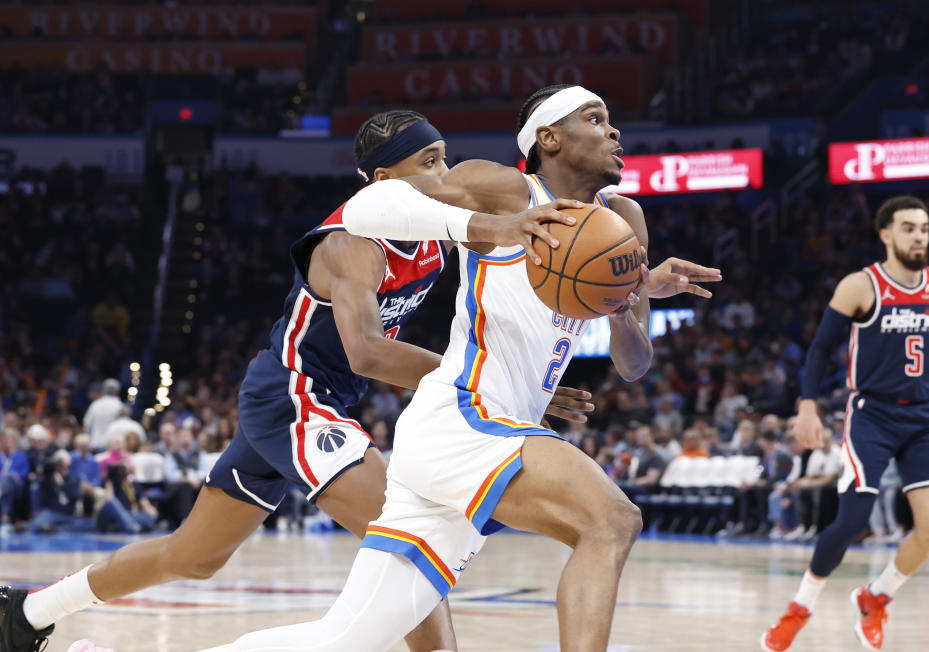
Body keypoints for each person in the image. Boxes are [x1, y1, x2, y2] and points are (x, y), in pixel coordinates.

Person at [0, 110, 592, 652]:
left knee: (195, 554)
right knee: (407, 536)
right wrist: (482, 383)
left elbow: (517, 250)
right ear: (386, 179)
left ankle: (25, 615)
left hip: (301, 401)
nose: (448, 171)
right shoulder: (350, 244)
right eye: (430, 162)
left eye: (446, 156)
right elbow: (367, 354)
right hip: (295, 397)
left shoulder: (439, 228)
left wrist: (521, 380)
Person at [197, 84, 720, 652]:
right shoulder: (504, 188)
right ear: (548, 138)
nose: (614, 131)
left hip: (478, 434)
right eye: (595, 119)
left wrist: (626, 306)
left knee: (345, 636)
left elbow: (633, 365)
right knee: (611, 520)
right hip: (466, 414)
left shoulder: (623, 218)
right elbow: (370, 207)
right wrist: (492, 228)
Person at [763, 195, 929, 651]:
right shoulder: (860, 285)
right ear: (886, 235)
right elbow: (819, 350)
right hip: (872, 413)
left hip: (925, 416)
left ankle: (876, 597)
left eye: (925, 228)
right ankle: (799, 609)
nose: (919, 236)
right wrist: (807, 405)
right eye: (909, 228)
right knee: (852, 520)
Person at [82, 379, 124, 450]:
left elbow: (87, 424)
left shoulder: (95, 404)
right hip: (112, 447)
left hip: (95, 443)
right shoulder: (120, 406)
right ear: (118, 391)